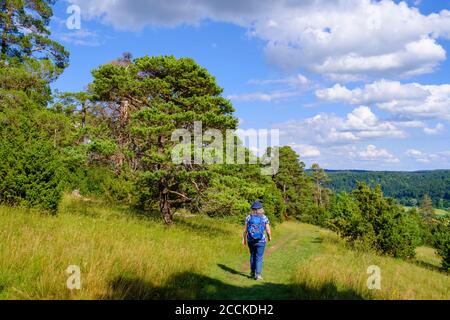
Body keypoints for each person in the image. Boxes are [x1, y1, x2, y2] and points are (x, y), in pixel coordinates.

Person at [242, 201, 272, 280]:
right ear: (261, 209)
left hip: (250, 240)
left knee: (252, 255)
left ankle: (252, 272)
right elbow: (268, 229)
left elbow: (245, 230)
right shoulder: (264, 217)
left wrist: (244, 239)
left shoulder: (248, 217)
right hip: (261, 241)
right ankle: (258, 275)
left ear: (252, 209)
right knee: (259, 257)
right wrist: (269, 237)